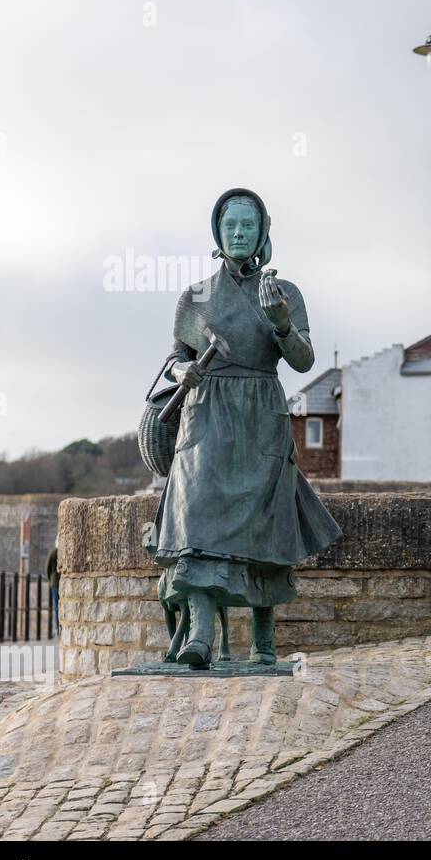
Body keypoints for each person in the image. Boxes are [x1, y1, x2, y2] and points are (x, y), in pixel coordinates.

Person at [143, 188, 342, 667]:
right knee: (196, 512)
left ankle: (263, 635)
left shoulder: (284, 293)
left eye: (247, 226)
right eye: (230, 225)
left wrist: (281, 325)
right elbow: (175, 356)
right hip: (206, 411)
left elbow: (303, 359)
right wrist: (180, 373)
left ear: (262, 233)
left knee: (264, 518)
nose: (238, 233)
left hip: (260, 414)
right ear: (217, 231)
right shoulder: (195, 297)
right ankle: (201, 635)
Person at [45, 546, 60, 635]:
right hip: (61, 580)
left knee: (57, 605)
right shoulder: (63, 551)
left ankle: (57, 627)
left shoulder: (53, 552)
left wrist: (49, 579)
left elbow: (47, 567)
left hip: (54, 581)